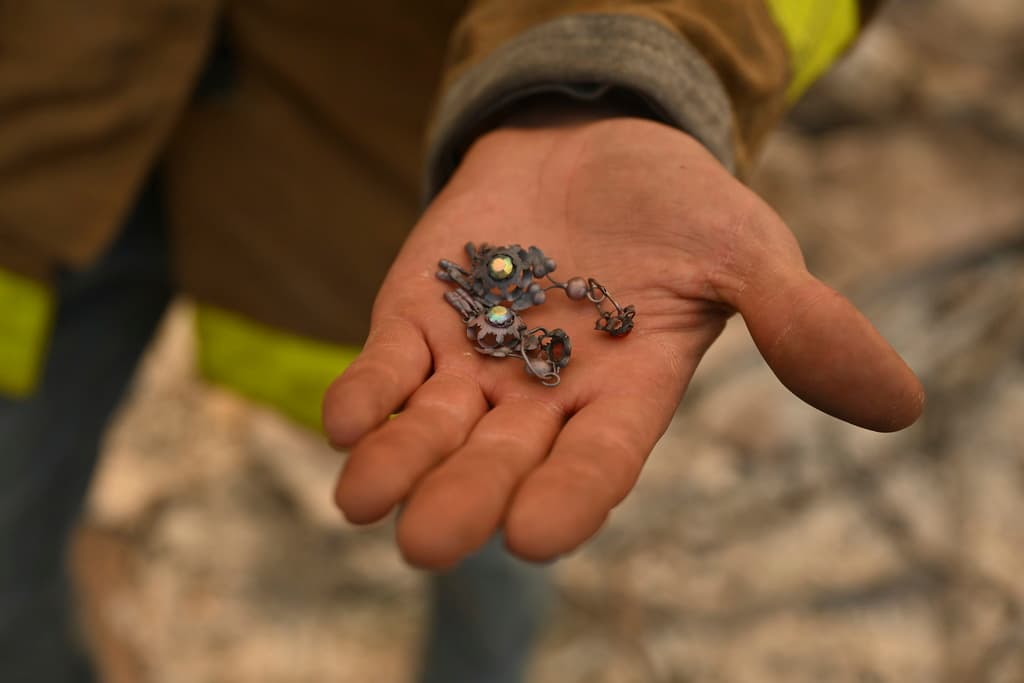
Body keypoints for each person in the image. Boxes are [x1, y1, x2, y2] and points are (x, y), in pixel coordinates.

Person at [0, 1, 922, 681]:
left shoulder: (519, 304)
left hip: (394, 172)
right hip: (39, 164)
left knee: (493, 516)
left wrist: (612, 58)